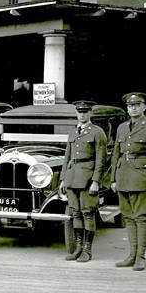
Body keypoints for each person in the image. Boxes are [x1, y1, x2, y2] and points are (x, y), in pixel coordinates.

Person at [111, 92, 146, 271]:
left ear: (144, 107)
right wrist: (113, 179)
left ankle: (140, 257)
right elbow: (116, 155)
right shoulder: (122, 128)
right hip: (123, 178)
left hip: (142, 179)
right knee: (128, 218)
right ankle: (131, 256)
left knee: (141, 218)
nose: (133, 108)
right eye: (130, 106)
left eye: (137, 105)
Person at [59, 100, 107, 263]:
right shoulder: (73, 132)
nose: (82, 114)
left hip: (87, 178)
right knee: (75, 213)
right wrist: (63, 178)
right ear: (76, 114)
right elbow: (67, 157)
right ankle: (78, 248)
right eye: (80, 112)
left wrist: (96, 181)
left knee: (88, 213)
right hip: (72, 177)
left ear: (91, 114)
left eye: (85, 112)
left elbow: (101, 160)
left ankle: (87, 249)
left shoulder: (97, 132)